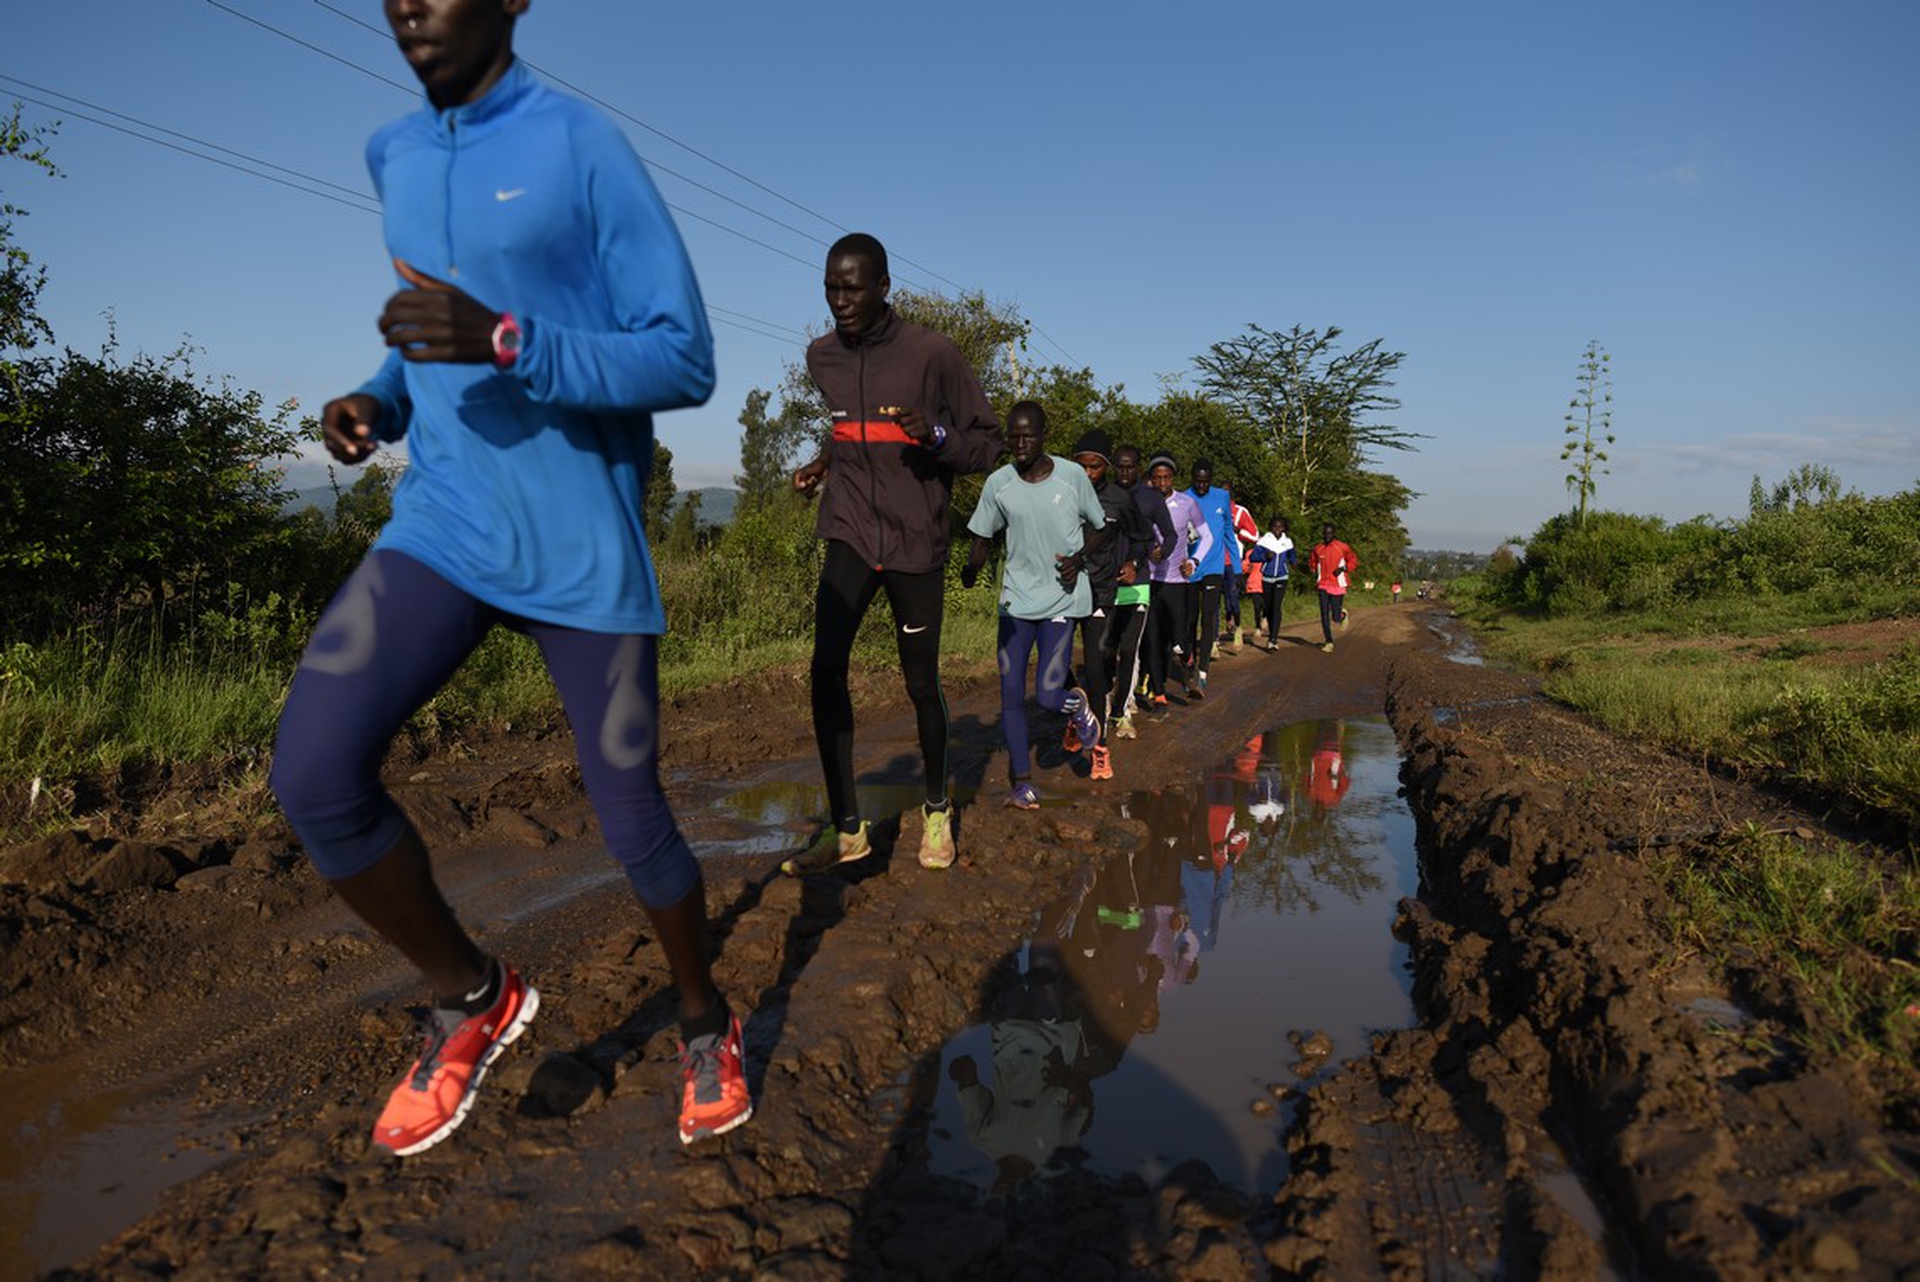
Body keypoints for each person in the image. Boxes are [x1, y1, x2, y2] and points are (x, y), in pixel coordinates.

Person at [268, 0, 749, 1154]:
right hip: (444, 524)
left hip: (580, 548)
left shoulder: (582, 146)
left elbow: (682, 354)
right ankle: (471, 994)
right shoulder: (392, 152)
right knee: (313, 771)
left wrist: (505, 340)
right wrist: (380, 397)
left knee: (631, 818)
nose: (409, 7)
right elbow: (431, 317)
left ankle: (703, 1018)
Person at [786, 233, 1003, 873]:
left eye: (852, 287)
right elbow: (853, 431)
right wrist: (823, 463)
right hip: (850, 530)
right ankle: (846, 828)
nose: (840, 300)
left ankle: (937, 813)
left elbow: (986, 444)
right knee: (825, 671)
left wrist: (936, 436)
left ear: (884, 287)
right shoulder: (821, 356)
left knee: (918, 683)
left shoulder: (933, 353)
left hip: (915, 540)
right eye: (831, 287)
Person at [962, 402, 1107, 809]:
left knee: (1045, 695)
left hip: (1061, 597)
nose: (1021, 443)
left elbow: (1101, 528)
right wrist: (970, 569)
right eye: (1014, 436)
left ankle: (1077, 706)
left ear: (1044, 436)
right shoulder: (999, 484)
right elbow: (982, 536)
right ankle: (1022, 784)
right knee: (1010, 695)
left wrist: (1080, 559)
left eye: (1029, 435)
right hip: (1015, 600)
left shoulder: (1071, 476)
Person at [1068, 430, 1150, 779]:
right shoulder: (1059, 492)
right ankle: (1077, 712)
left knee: (1098, 666)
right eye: (1082, 466)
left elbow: (1141, 537)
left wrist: (1132, 561)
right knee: (1054, 664)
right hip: (1060, 591)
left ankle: (1100, 748)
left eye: (1095, 467)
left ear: (1105, 467)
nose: (1088, 474)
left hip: (1101, 591)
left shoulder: (1120, 498)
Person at [1106, 445, 1177, 738]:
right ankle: (1109, 697)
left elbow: (1171, 533)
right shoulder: (1104, 495)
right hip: (1106, 584)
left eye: (1130, 467)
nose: (1124, 472)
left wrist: (1162, 551)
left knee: (1128, 648)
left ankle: (1122, 712)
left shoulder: (1149, 498)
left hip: (1139, 584)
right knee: (1106, 649)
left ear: (1138, 469)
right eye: (1119, 467)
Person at [1142, 456, 1210, 707]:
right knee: (1153, 638)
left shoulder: (1186, 503)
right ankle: (1158, 693)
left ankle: (1187, 668)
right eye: (1157, 477)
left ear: (1173, 478)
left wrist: (1194, 562)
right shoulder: (1142, 502)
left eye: (1166, 477)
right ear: (1151, 478)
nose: (1161, 482)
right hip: (1148, 580)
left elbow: (1207, 536)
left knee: (1179, 640)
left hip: (1176, 582)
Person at [1179, 458, 1238, 697]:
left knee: (1209, 618)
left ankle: (1203, 673)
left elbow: (1228, 533)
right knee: (1190, 620)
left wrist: (1236, 568)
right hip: (1191, 570)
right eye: (1197, 481)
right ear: (1192, 478)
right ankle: (1190, 663)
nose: (1201, 486)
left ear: (1211, 479)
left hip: (1214, 567)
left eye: (1206, 481)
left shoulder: (1221, 497)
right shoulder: (1183, 497)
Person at [1307, 522, 1358, 653]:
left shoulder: (1342, 547)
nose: (1327, 535)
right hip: (1323, 584)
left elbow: (1353, 561)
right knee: (1324, 614)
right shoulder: (1318, 548)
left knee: (1334, 617)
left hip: (1337, 585)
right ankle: (1328, 642)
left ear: (1334, 534)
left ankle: (1342, 615)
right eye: (1325, 533)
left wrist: (1343, 568)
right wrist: (1312, 568)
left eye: (1330, 533)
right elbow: (1312, 561)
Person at [1221, 483, 1259, 652]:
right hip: (1214, 560)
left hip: (1234, 560)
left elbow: (1255, 535)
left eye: (1226, 494)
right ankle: (1214, 641)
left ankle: (1237, 627)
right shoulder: (1213, 509)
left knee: (1233, 597)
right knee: (1217, 599)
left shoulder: (1240, 512)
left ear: (1231, 496)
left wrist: (1239, 531)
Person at [1249, 517, 1295, 650]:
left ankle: (1273, 639)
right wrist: (1265, 557)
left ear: (1284, 528)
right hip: (1267, 578)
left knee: (1276, 606)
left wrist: (1293, 561)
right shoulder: (1264, 541)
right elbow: (1253, 557)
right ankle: (1271, 633)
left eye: (1280, 527)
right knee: (1268, 608)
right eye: (1275, 527)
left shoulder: (1288, 542)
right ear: (1271, 528)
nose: (1277, 530)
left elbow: (1292, 555)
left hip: (1282, 577)